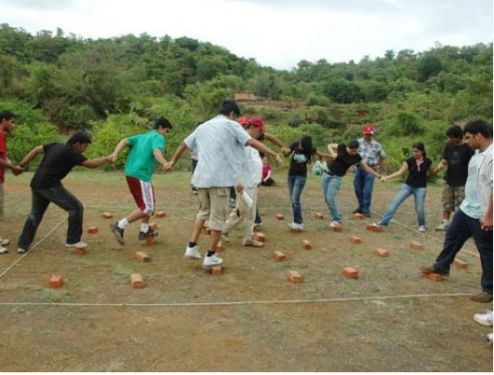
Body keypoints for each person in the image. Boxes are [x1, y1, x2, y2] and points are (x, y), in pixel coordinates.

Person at [166, 100, 283, 269]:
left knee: (203, 212)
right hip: (218, 179)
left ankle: (191, 247)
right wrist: (273, 153)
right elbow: (251, 142)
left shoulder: (203, 126)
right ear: (233, 114)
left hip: (200, 179)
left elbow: (184, 144)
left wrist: (172, 162)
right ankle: (211, 256)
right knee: (218, 218)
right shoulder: (231, 124)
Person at [421, 119, 492, 303]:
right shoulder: (476, 152)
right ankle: (442, 266)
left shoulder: (492, 157)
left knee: (486, 250)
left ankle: (489, 289)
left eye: (469, 137)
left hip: (482, 212)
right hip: (468, 207)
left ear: (479, 135)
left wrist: (489, 216)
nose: (466, 141)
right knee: (452, 236)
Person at [16, 131, 113, 254]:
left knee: (35, 214)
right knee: (76, 208)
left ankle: (22, 244)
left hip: (37, 183)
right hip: (49, 186)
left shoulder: (56, 146)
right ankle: (72, 240)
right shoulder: (71, 152)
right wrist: (105, 158)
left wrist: (21, 164)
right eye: (85, 146)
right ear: (77, 144)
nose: (85, 149)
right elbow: (91, 164)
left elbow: (36, 149)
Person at [109, 117, 173, 245]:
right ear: (160, 128)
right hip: (140, 174)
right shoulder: (157, 137)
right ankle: (119, 225)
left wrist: (115, 153)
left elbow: (124, 141)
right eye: (166, 131)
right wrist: (165, 163)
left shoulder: (142, 136)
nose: (166, 134)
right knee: (148, 207)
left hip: (131, 172)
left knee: (148, 203)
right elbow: (156, 152)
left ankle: (144, 231)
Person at [371, 142, 434, 232]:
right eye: (413, 151)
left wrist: (439, 168)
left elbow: (432, 172)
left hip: (421, 188)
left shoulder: (428, 161)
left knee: (419, 208)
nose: (414, 153)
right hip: (408, 186)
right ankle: (384, 222)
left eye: (416, 151)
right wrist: (387, 177)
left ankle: (422, 225)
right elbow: (400, 172)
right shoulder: (409, 161)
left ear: (422, 151)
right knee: (395, 203)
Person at [222, 119, 264, 247]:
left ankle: (247, 238)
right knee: (242, 210)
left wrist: (258, 177)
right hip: (244, 183)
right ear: (253, 127)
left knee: (251, 212)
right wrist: (237, 181)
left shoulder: (252, 141)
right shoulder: (243, 141)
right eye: (259, 130)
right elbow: (235, 162)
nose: (260, 133)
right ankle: (223, 230)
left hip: (252, 182)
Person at [322, 140, 382, 229]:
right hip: (326, 174)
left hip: (336, 178)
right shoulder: (341, 147)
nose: (353, 152)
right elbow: (330, 145)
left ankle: (337, 219)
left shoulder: (357, 157)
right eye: (351, 150)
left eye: (355, 150)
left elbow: (366, 167)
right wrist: (333, 153)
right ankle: (337, 214)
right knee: (327, 199)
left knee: (330, 198)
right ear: (348, 147)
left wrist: (378, 175)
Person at [283, 135, 330, 232]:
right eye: (301, 144)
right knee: (293, 199)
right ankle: (296, 222)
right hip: (291, 175)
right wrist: (285, 152)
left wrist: (333, 156)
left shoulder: (309, 149)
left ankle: (298, 223)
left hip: (301, 177)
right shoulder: (294, 145)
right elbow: (286, 155)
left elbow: (321, 154)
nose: (301, 146)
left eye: (303, 145)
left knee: (295, 198)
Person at [432, 125, 474, 231]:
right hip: (449, 179)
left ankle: (458, 225)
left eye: (452, 137)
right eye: (449, 138)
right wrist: (441, 165)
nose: (451, 140)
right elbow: (444, 159)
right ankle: (445, 222)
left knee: (461, 204)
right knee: (446, 202)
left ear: (459, 137)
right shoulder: (448, 145)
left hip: (463, 181)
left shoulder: (468, 147)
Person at [0, 110, 23, 253]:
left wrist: (9, 163)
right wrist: (13, 168)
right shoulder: (0, 135)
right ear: (4, 120)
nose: (13, 125)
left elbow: (2, 157)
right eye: (12, 122)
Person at [353, 124, 385, 217]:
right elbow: (352, 152)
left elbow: (383, 156)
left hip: (371, 168)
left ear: (372, 134)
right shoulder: (357, 142)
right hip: (359, 168)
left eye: (370, 134)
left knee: (368, 190)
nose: (368, 135)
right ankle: (361, 206)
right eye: (366, 134)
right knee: (357, 188)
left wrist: (379, 166)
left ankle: (366, 210)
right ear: (363, 133)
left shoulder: (377, 145)